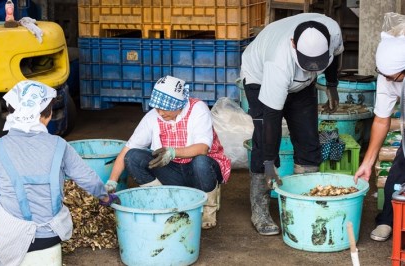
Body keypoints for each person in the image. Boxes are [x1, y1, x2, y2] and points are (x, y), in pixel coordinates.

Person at [0, 80, 119, 266]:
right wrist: (106, 198)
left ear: (11, 113)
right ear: (46, 116)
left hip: (13, 237)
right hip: (53, 233)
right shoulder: (59, 145)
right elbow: (89, 179)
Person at [240, 13, 344, 236]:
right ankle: (260, 210)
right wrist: (269, 162)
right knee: (263, 141)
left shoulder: (333, 31)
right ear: (293, 44)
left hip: (302, 86)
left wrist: (332, 85)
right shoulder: (279, 62)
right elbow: (272, 119)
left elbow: (335, 56)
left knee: (308, 141)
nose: (311, 67)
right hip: (260, 78)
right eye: (307, 62)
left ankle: (303, 203)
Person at [105, 75, 231, 229]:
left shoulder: (198, 109)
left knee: (201, 161)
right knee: (133, 158)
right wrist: (112, 182)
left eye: (165, 108)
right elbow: (127, 150)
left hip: (198, 173)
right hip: (173, 173)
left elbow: (203, 148)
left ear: (179, 104)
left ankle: (207, 209)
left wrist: (172, 152)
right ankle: (162, 200)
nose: (161, 112)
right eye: (158, 107)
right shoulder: (152, 117)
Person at [354, 31, 405, 242]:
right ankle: (387, 220)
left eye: (393, 76)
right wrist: (368, 161)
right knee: (397, 176)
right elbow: (382, 120)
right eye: (383, 74)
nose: (387, 80)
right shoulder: (389, 73)